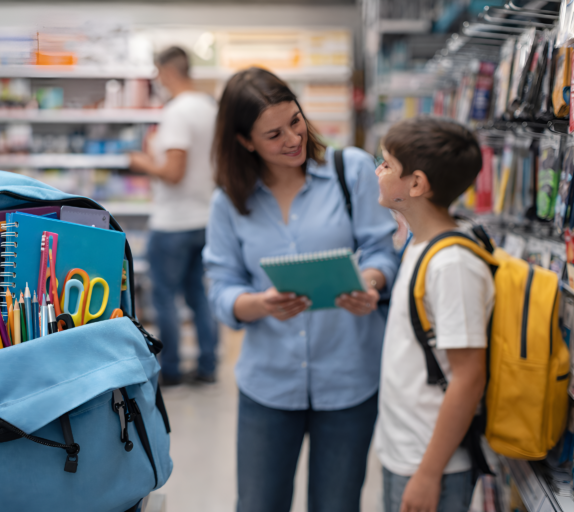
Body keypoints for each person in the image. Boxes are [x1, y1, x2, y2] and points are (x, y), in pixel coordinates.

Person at [203, 67, 399, 512]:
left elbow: (380, 250)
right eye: (273, 134)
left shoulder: (350, 171)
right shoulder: (229, 201)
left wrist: (370, 282)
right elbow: (221, 287)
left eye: (295, 120)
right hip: (269, 385)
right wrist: (257, 304)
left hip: (349, 378)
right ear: (244, 141)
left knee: (337, 503)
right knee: (258, 503)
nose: (293, 138)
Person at [374, 118, 492, 512]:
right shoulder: (419, 246)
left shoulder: (451, 265)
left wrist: (428, 473)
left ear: (417, 184)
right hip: (406, 450)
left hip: (432, 464)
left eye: (387, 164)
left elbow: (469, 376)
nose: (378, 171)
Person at [129, 46, 218, 386]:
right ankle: (208, 365)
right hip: (204, 216)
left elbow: (174, 171)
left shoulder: (177, 112)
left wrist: (142, 163)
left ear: (166, 71)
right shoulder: (209, 108)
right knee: (198, 293)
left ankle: (174, 370)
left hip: (173, 221)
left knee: (164, 296)